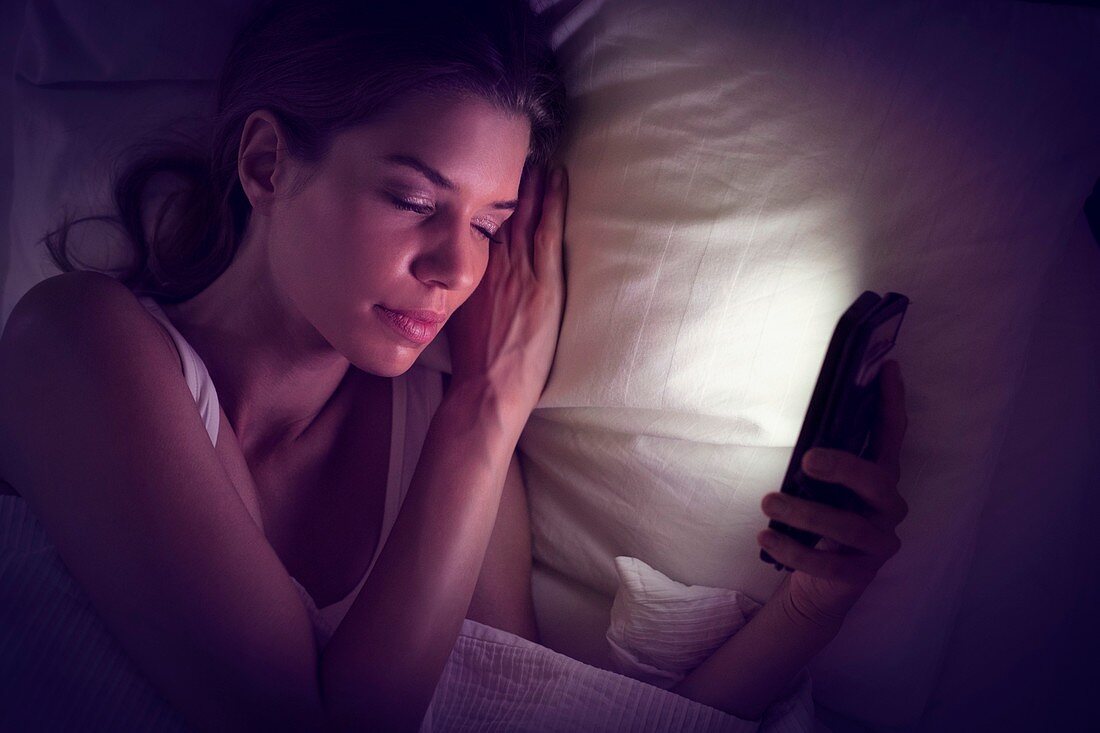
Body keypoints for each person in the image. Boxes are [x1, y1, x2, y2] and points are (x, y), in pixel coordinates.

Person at [0, 0, 909, 730]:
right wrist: (486, 407)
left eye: (488, 224)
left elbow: (519, 708)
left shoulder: (435, 446)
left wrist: (811, 607)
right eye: (413, 199)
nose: (458, 269)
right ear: (269, 164)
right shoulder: (74, 338)